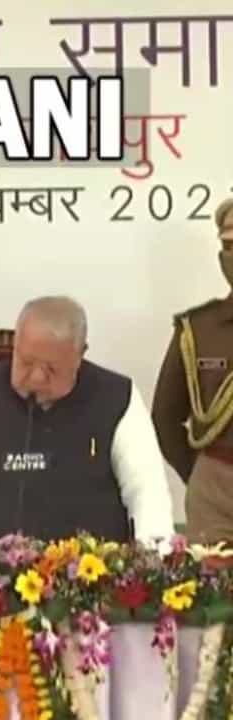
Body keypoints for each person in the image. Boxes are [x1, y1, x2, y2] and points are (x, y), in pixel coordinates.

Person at [0, 296, 175, 546]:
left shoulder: (117, 397)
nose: (37, 378)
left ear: (80, 355)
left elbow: (147, 493)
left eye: (52, 369)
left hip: (93, 571)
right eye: (26, 363)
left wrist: (154, 562)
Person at [152, 197, 233, 545]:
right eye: (229, 246)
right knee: (212, 578)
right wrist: (200, 474)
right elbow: (165, 418)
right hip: (216, 491)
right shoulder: (197, 329)